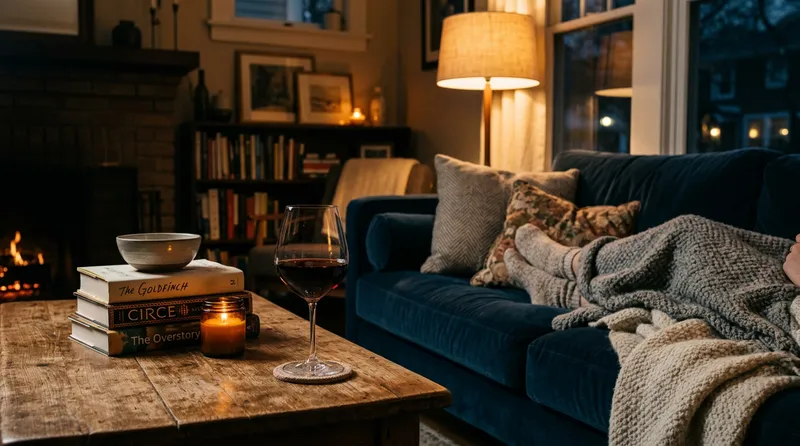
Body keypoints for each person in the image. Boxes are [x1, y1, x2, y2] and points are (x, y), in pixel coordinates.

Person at [504, 215, 800, 353]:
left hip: (784, 306)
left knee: (688, 233)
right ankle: (566, 286)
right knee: (682, 266)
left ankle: (568, 266)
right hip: (780, 276)